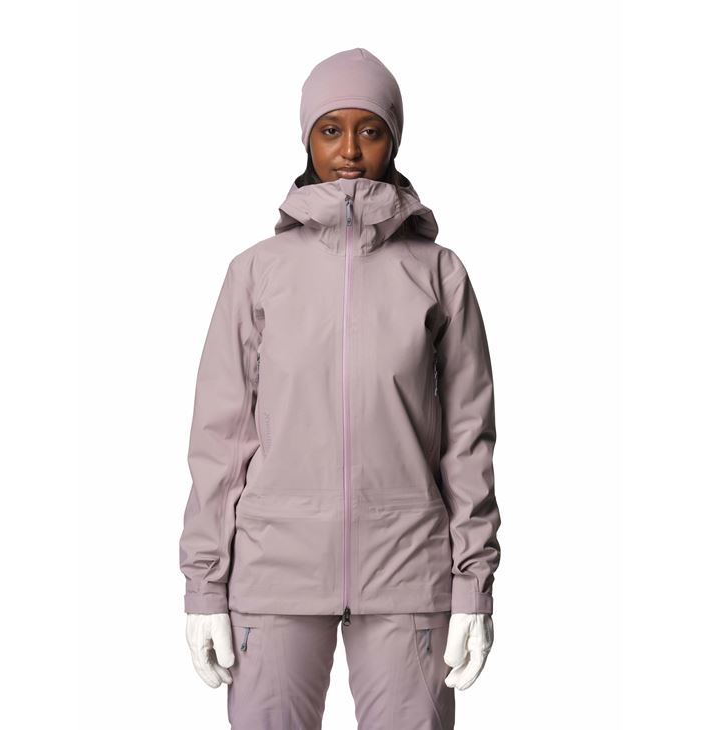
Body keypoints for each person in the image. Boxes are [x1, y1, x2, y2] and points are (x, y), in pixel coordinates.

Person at [179, 47, 502, 730]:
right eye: (331, 130)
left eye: (370, 130)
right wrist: (204, 584)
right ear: (307, 139)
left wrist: (474, 585)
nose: (350, 150)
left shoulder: (438, 273)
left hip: (409, 568)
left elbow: (468, 440)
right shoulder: (256, 273)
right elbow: (221, 440)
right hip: (274, 569)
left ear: (394, 140)